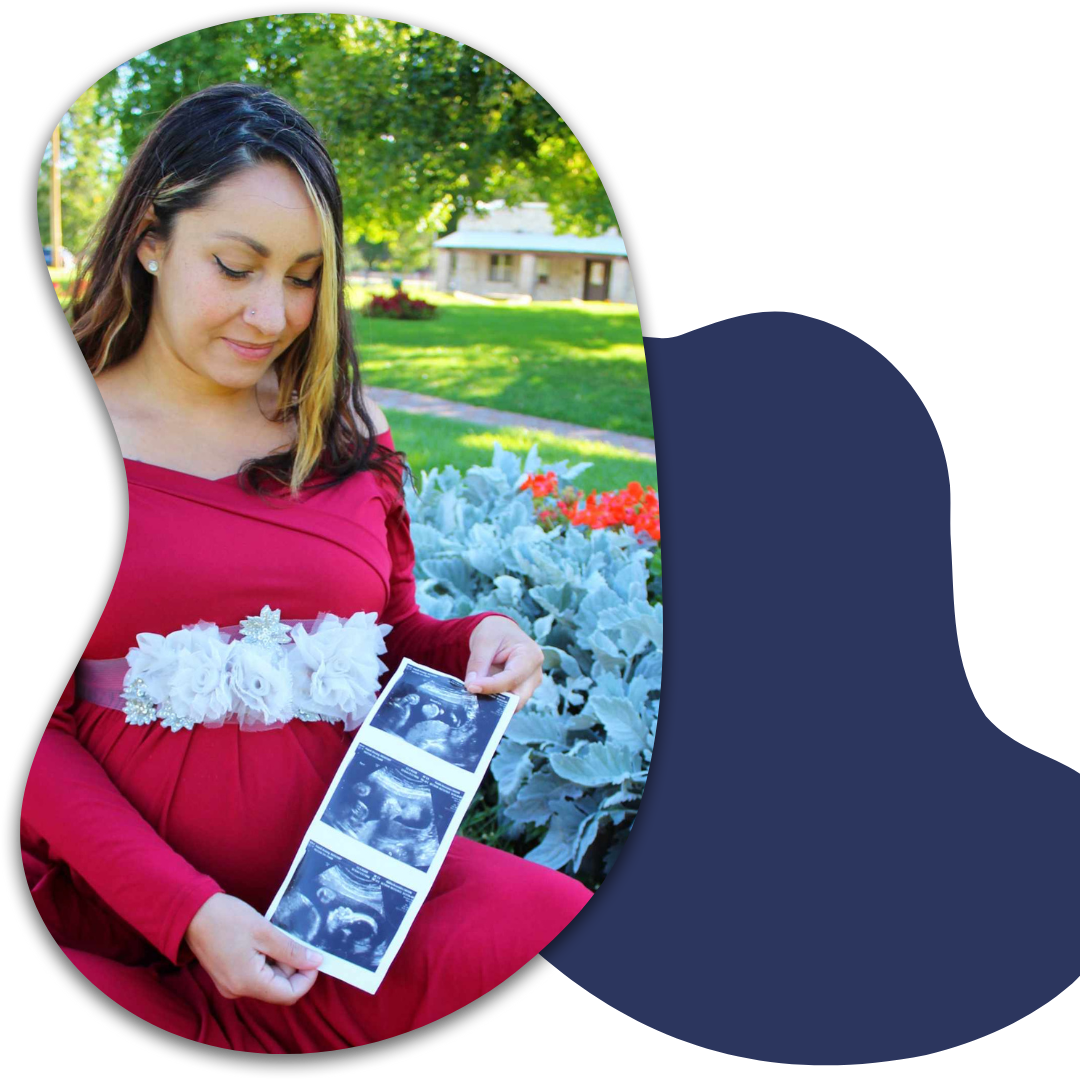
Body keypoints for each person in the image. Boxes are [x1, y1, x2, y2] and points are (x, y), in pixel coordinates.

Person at [23, 82, 592, 1052]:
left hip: (355, 901)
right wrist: (190, 913)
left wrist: (483, 641)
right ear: (150, 240)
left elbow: (394, 630)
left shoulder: (348, 431)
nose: (272, 313)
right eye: (236, 266)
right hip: (133, 925)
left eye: (305, 275)